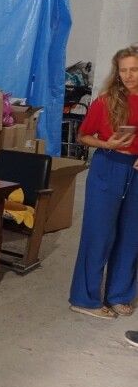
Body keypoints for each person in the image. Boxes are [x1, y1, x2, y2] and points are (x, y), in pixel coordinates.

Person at [69, 45, 138, 319]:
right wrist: (105, 143)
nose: (129, 76)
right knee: (99, 234)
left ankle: (119, 294)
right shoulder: (106, 101)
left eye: (134, 69)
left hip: (136, 171)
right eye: (123, 71)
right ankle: (84, 298)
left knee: (131, 235)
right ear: (117, 73)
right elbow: (83, 136)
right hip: (108, 166)